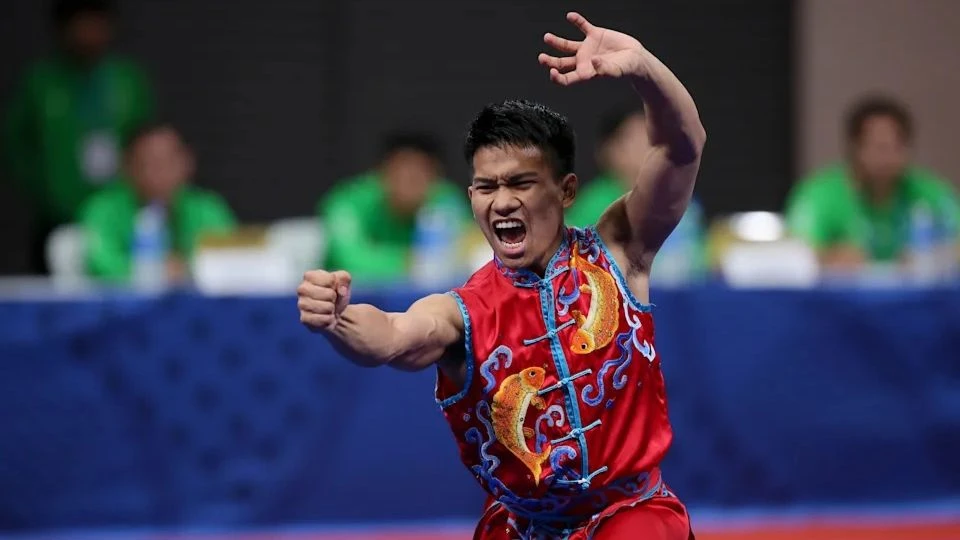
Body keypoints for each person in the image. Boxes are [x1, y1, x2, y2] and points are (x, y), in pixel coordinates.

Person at [298, 12, 704, 540]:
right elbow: (392, 338)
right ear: (470, 197)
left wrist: (645, 67)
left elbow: (681, 145)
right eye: (486, 187)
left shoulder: (621, 249)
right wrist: (337, 320)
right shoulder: (462, 313)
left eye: (522, 183)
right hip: (524, 528)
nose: (502, 202)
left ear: (566, 189)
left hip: (633, 517)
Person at [4, 0, 155, 274]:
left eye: (97, 24)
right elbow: (15, 145)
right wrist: (46, 187)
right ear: (62, 29)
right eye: (81, 24)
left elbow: (145, 138)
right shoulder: (41, 81)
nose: (90, 33)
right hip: (60, 213)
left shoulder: (127, 79)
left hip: (120, 212)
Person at [785, 96, 960, 271]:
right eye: (879, 147)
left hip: (917, 297)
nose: (888, 158)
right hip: (841, 297)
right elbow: (795, 253)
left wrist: (935, 255)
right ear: (855, 148)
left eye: (896, 147)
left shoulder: (930, 192)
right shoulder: (819, 195)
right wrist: (827, 257)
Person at [80, 123, 236, 283]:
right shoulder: (102, 209)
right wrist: (152, 272)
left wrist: (186, 269)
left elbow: (227, 261)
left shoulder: (208, 209)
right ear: (127, 167)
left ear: (187, 162)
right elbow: (99, 260)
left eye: (167, 162)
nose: (159, 174)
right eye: (147, 164)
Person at [567, 106, 706, 282]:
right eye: (637, 140)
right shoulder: (593, 204)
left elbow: (699, 263)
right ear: (611, 151)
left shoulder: (684, 203)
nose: (650, 148)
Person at [318, 131, 471, 282]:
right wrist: (411, 262)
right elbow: (349, 258)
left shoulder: (445, 199)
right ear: (381, 171)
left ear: (435, 176)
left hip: (421, 298)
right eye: (401, 170)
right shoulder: (348, 202)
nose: (409, 181)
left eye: (419, 172)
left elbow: (468, 250)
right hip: (351, 296)